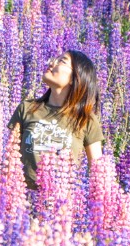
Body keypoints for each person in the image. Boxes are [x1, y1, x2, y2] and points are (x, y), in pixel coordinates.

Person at [8, 49, 104, 190]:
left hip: (63, 204)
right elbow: (10, 155)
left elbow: (98, 173)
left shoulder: (86, 119)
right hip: (23, 201)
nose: (52, 63)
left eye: (62, 61)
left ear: (74, 77)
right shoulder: (27, 108)